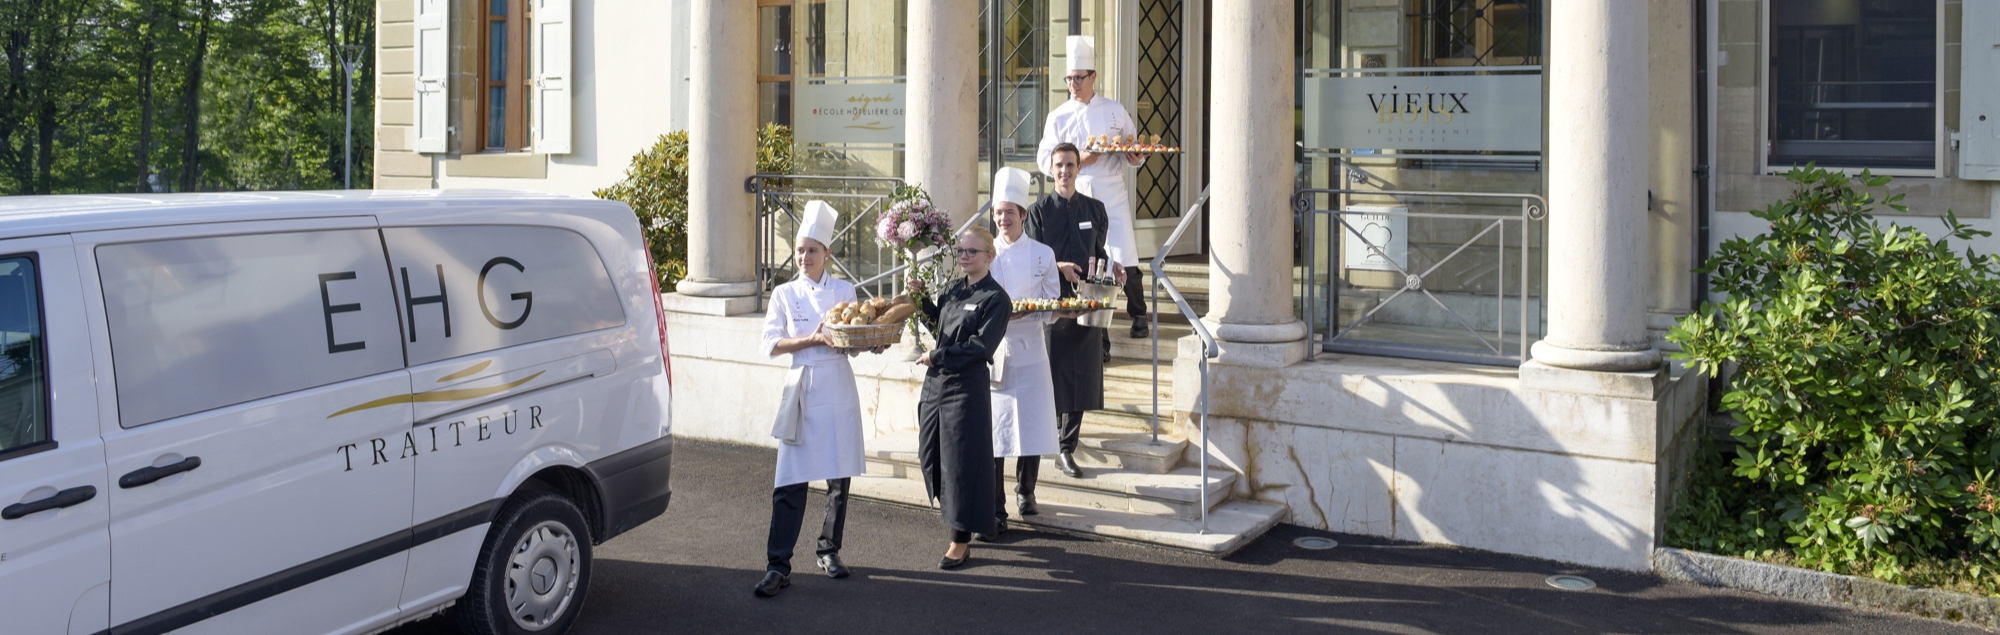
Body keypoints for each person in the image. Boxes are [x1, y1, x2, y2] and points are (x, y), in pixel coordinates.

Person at [753, 200, 879, 598]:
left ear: (827, 252)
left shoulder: (844, 290)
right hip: (803, 388)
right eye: (800, 250)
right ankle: (778, 564)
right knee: (790, 481)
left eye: (812, 250)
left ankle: (829, 549)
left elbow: (851, 343)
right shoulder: (784, 294)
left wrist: (869, 343)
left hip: (839, 387)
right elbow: (770, 344)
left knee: (838, 477)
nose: (804, 257)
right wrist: (812, 338)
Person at [1036, 34, 1153, 340]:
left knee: (1125, 253)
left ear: (1093, 77)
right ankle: (1100, 334)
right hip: (1080, 195)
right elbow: (1043, 159)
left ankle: (1139, 315)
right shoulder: (1058, 116)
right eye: (1069, 78)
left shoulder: (1115, 110)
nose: (1073, 83)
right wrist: (1081, 160)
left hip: (1112, 193)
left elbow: (1132, 145)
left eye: (1079, 78)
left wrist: (1135, 156)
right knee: (1092, 260)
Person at [915, 226, 1012, 569]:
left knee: (959, 464)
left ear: (989, 256)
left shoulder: (997, 299)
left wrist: (938, 356)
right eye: (960, 251)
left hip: (964, 389)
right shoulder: (954, 288)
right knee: (930, 454)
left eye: (972, 251)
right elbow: (937, 325)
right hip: (936, 384)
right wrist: (919, 300)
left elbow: (980, 348)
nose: (964, 257)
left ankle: (959, 540)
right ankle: (959, 515)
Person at [1026, 142, 1118, 479]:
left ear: (1079, 169)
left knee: (1083, 376)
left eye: (1070, 165)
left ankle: (1067, 448)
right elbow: (1033, 259)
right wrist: (1058, 265)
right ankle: (1049, 437)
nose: (1064, 171)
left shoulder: (1095, 210)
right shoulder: (1036, 214)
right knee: (1053, 375)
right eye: (1059, 165)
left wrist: (1115, 269)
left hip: (1086, 304)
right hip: (1052, 307)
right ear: (1051, 170)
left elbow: (1100, 254)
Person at [981, 167, 1062, 539]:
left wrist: (1033, 309)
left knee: (1031, 425)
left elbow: (1052, 305)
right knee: (996, 431)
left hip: (1031, 350)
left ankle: (1026, 491)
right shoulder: (985, 253)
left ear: (1023, 216)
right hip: (996, 352)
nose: (1002, 219)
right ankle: (995, 505)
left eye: (1008, 213)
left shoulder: (1043, 254)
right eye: (997, 213)